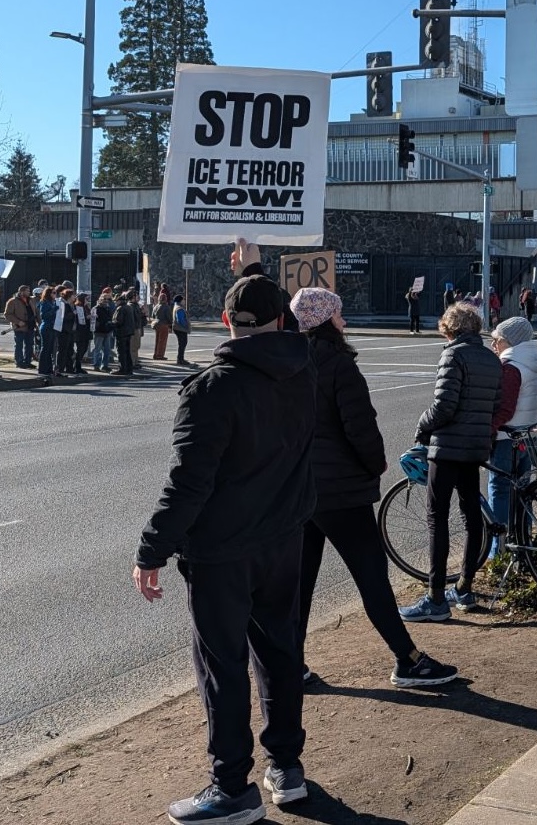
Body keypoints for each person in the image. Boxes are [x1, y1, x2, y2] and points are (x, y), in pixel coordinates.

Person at [133, 273, 317, 823]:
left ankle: (231, 787)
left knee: (223, 666)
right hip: (284, 537)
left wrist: (151, 550)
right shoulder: (304, 371)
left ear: (225, 320)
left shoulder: (214, 386)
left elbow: (190, 482)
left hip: (223, 550)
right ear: (282, 319)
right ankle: (286, 765)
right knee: (280, 651)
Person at [287, 288, 457, 689]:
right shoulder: (338, 364)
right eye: (339, 314)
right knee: (371, 577)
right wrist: (375, 464)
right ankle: (408, 659)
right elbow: (359, 427)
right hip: (341, 490)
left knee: (300, 583)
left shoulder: (290, 362)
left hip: (302, 488)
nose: (343, 321)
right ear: (326, 320)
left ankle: (289, 662)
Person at [400, 303, 501, 623]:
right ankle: (466, 588)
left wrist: (422, 426)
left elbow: (444, 407)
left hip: (446, 449)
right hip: (474, 448)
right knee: (472, 516)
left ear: (450, 328)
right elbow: (494, 404)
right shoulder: (490, 358)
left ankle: (435, 597)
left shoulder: (453, 355)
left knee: (437, 518)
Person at [487, 316, 537, 538]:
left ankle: (499, 547)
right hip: (529, 433)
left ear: (510, 341)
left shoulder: (512, 367)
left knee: (500, 490)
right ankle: (523, 539)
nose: (494, 345)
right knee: (524, 490)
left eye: (497, 340)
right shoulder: (535, 360)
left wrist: (489, 429)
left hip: (506, 437)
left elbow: (505, 410)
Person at [3, 284, 36, 369]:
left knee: (29, 345)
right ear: (21, 292)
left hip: (30, 326)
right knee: (19, 345)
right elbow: (7, 314)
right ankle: (19, 362)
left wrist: (38, 323)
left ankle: (28, 361)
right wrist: (18, 321)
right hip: (19, 327)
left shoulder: (31, 300)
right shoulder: (12, 301)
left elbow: (36, 312)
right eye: (27, 291)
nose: (29, 292)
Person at [36, 286, 63, 377]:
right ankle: (42, 369)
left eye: (55, 293)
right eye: (53, 293)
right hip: (46, 327)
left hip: (53, 327)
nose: (55, 295)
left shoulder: (53, 302)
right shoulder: (44, 302)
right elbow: (44, 315)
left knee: (50, 349)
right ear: (49, 294)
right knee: (45, 348)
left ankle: (48, 369)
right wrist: (54, 309)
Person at [112, 290, 137, 376]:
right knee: (127, 352)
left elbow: (118, 321)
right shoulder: (128, 307)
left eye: (116, 301)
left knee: (121, 352)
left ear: (119, 301)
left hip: (121, 333)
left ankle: (122, 368)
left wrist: (110, 324)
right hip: (128, 333)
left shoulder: (121, 309)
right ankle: (128, 369)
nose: (115, 302)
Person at [92, 290, 116, 371]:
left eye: (108, 299)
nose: (106, 301)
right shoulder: (96, 308)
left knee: (107, 350)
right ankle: (96, 365)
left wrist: (110, 325)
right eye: (104, 299)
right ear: (100, 299)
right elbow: (94, 320)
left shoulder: (108, 308)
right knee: (97, 349)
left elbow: (111, 318)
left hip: (107, 331)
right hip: (99, 332)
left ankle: (104, 365)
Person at [71, 293, 92, 374]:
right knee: (81, 349)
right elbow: (79, 319)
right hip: (80, 331)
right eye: (86, 299)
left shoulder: (86, 307)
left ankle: (77, 365)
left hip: (86, 331)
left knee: (84, 348)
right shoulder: (78, 307)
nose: (88, 301)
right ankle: (77, 366)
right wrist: (87, 318)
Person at [152, 291, 174, 360]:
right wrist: (170, 325)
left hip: (156, 324)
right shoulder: (166, 307)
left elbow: (153, 315)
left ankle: (156, 354)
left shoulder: (156, 306)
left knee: (157, 340)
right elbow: (169, 317)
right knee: (162, 341)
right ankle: (160, 355)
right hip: (164, 325)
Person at [173, 295, 193, 365]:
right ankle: (180, 359)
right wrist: (186, 326)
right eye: (183, 300)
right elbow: (180, 319)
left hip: (178, 328)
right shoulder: (179, 309)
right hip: (181, 329)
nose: (184, 301)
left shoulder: (176, 307)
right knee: (182, 344)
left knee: (182, 344)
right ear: (180, 301)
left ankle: (180, 358)